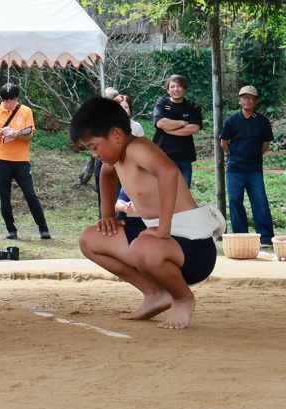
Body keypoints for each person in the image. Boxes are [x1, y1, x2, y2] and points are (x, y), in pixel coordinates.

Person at [70, 96, 225, 329]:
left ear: (116, 135)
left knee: (143, 247)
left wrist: (163, 229)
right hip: (161, 244)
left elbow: (168, 172)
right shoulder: (117, 158)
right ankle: (155, 293)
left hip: (195, 250)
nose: (94, 154)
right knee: (90, 238)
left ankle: (182, 297)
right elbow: (106, 174)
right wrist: (107, 216)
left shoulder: (137, 147)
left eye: (94, 147)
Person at [0, 83, 51, 240]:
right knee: (5, 196)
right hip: (2, 159)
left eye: (13, 100)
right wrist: (2, 133)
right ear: (1, 99)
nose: (11, 104)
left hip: (22, 160)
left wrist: (18, 135)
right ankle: (11, 229)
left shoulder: (26, 111)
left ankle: (43, 228)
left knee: (30, 194)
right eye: (7, 101)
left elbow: (30, 136)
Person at [219, 85, 274, 246]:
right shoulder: (232, 120)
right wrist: (235, 156)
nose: (247, 100)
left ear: (256, 101)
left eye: (250, 97)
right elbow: (224, 142)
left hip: (254, 170)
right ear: (239, 101)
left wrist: (254, 156)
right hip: (235, 169)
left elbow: (265, 144)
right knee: (235, 201)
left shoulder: (262, 121)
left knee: (260, 201)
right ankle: (240, 236)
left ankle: (265, 238)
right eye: (244, 97)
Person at [151, 75, 203, 187]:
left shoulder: (192, 106)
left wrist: (171, 130)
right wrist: (183, 123)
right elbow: (160, 123)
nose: (176, 89)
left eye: (179, 86)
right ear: (168, 90)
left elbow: (194, 128)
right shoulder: (162, 103)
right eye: (172, 86)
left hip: (184, 157)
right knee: (161, 190)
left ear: (184, 89)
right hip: (162, 155)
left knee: (184, 192)